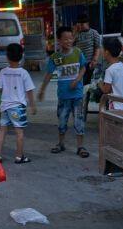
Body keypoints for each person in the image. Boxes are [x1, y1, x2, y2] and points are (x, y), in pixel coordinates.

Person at [38, 26, 89, 158]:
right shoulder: (55, 57)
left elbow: (83, 68)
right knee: (62, 120)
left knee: (79, 121)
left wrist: (77, 80)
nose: (68, 41)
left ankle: (80, 146)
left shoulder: (78, 53)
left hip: (77, 95)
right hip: (63, 96)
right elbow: (49, 74)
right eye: (65, 39)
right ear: (59, 40)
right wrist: (42, 90)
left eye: (70, 38)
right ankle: (61, 143)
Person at [0, 43, 36, 163]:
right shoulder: (23, 73)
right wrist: (33, 105)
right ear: (21, 56)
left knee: (2, 130)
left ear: (7, 56)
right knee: (19, 132)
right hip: (18, 107)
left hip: (4, 106)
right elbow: (29, 91)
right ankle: (19, 156)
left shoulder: (3, 72)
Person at [98, 37, 123, 110]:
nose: (101, 51)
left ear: (107, 52)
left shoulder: (109, 70)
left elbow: (106, 90)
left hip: (115, 106)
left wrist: (100, 84)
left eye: (102, 48)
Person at [75, 13, 101, 85]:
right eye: (79, 24)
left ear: (87, 23)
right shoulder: (77, 34)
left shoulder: (94, 33)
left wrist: (95, 60)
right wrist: (75, 31)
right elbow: (70, 45)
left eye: (83, 24)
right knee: (80, 83)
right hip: (79, 63)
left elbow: (97, 47)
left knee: (88, 83)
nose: (81, 26)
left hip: (90, 62)